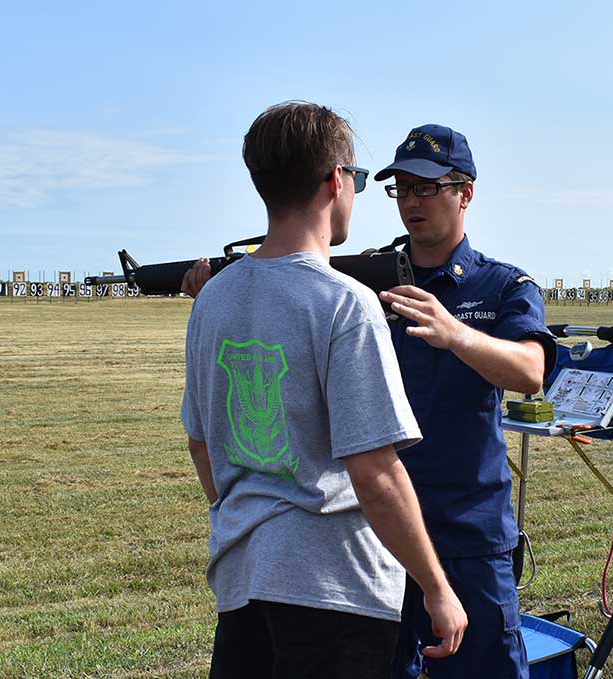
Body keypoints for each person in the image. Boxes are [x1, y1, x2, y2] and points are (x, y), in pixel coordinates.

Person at [180, 102, 467, 679]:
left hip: (242, 582)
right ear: (337, 180)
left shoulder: (212, 299)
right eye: (359, 179)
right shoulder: (345, 303)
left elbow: (202, 444)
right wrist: (436, 587)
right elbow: (374, 472)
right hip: (336, 590)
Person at [374, 124, 557, 679]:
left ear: (466, 192)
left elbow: (530, 371)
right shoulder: (367, 278)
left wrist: (455, 332)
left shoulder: (503, 285)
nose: (411, 201)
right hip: (378, 526)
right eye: (402, 188)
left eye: (427, 188)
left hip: (467, 532)